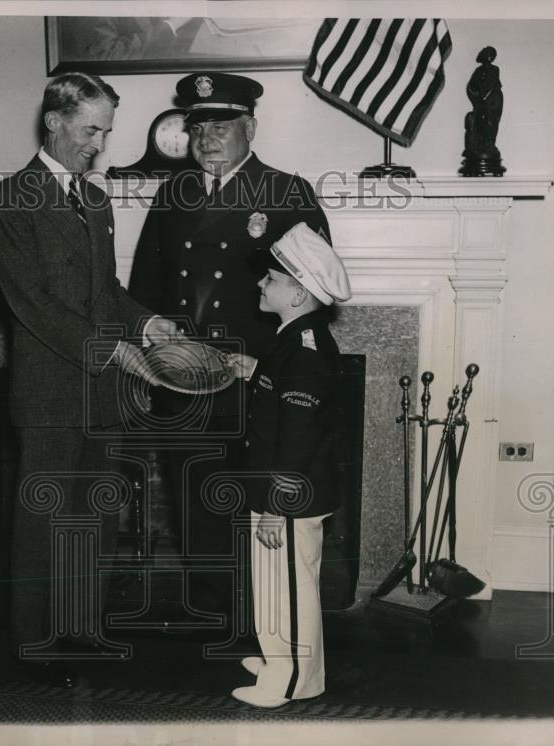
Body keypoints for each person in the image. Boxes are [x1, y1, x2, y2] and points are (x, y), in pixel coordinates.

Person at [0, 72, 178, 687]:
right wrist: (116, 350)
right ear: (55, 121)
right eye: (91, 130)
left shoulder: (95, 199)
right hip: (47, 394)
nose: (100, 144)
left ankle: (82, 630)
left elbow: (107, 292)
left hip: (100, 395)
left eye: (106, 131)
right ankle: (34, 646)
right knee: (42, 523)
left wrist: (148, 325)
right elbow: (32, 306)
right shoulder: (12, 200)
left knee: (94, 517)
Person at [128, 71, 330, 626]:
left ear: (250, 128)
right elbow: (146, 285)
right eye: (198, 129)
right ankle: (213, 621)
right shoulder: (174, 193)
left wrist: (274, 369)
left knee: (256, 506)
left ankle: (263, 626)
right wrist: (152, 354)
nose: (207, 138)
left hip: (254, 380)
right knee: (195, 502)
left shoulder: (287, 193)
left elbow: (312, 298)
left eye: (221, 126)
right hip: (184, 378)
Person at [224, 221, 352, 708]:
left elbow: (299, 434)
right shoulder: (293, 337)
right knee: (274, 584)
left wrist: (278, 505)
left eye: (272, 279)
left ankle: (295, 678)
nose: (262, 283)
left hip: (289, 496)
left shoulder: (305, 351)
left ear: (298, 295)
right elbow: (289, 391)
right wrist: (255, 371)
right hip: (276, 491)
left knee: (291, 589)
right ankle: (280, 656)